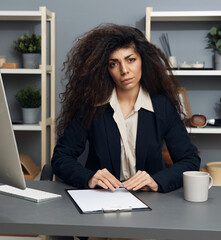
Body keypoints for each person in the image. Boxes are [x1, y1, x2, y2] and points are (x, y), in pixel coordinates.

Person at [51, 24, 200, 193]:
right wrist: (88, 177)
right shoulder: (91, 106)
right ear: (104, 69)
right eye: (113, 64)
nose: (124, 70)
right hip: (102, 198)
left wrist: (156, 181)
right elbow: (61, 158)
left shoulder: (161, 105)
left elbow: (190, 160)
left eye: (131, 60)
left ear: (143, 60)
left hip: (152, 201)